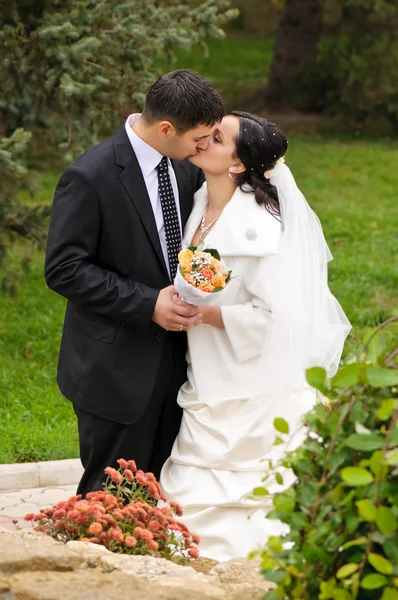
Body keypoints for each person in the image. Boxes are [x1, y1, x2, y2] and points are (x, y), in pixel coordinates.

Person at [159, 111, 351, 561]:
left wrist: (206, 315)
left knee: (249, 496)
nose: (204, 138)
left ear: (238, 164)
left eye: (218, 137)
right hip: (206, 373)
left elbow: (278, 318)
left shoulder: (263, 227)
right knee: (192, 479)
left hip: (247, 383)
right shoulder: (201, 197)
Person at [44, 69, 224, 496]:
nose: (203, 147)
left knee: (159, 495)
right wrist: (148, 304)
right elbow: (65, 268)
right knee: (111, 498)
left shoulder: (185, 170)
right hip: (114, 371)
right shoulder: (90, 176)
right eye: (199, 138)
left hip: (180, 365)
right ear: (166, 128)